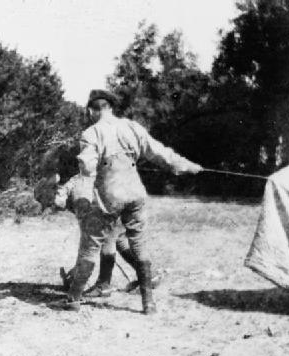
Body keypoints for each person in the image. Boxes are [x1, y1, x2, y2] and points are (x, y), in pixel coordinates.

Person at [55, 89, 202, 314]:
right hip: (135, 191)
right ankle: (148, 304)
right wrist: (188, 166)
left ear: (91, 110)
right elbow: (160, 153)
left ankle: (73, 299)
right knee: (139, 244)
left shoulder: (91, 133)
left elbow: (86, 167)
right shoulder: (132, 127)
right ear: (110, 107)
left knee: (90, 244)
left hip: (110, 194)